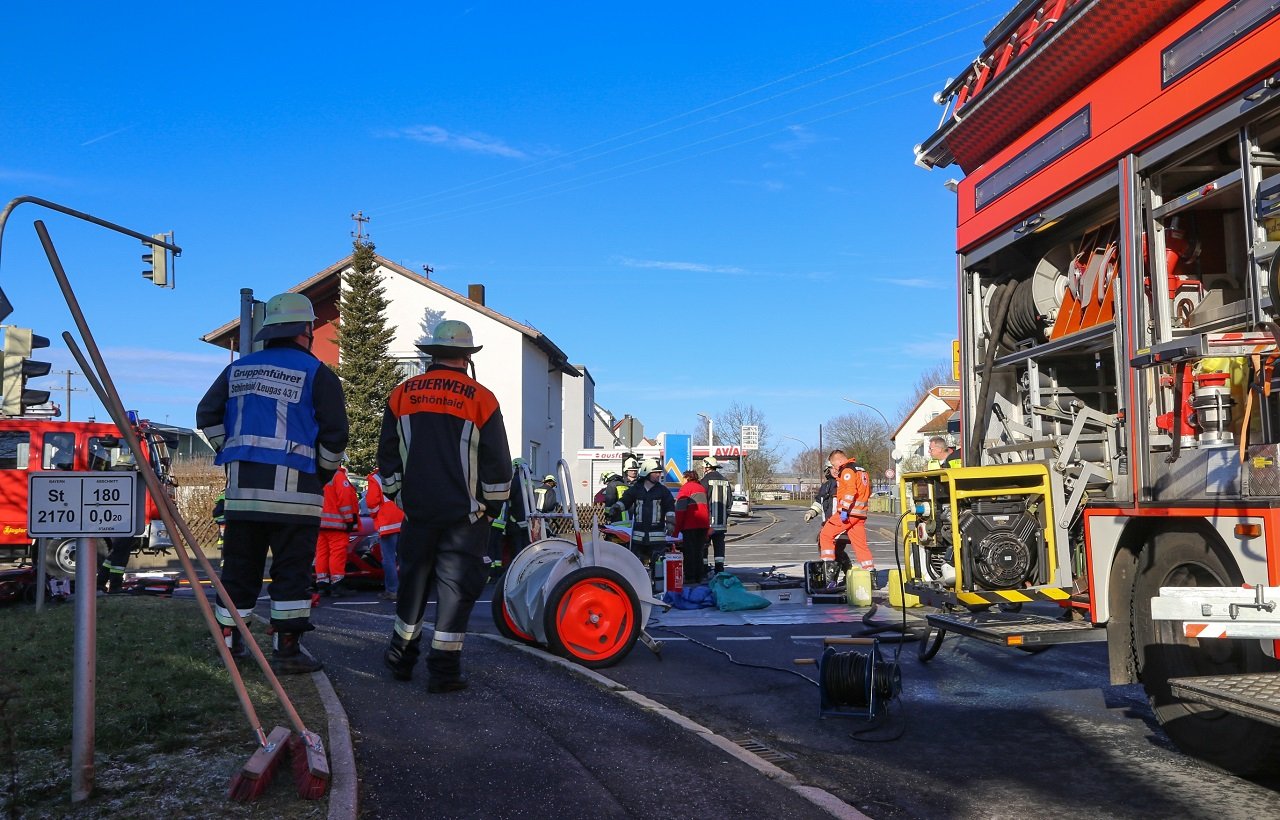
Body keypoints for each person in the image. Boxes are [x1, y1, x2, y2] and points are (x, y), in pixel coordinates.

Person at [196, 292, 348, 674]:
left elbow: (206, 413)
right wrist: (322, 472)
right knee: (291, 574)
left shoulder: (239, 370)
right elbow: (335, 435)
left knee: (239, 571)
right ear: (307, 330)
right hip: (296, 498)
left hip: (244, 496)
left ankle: (230, 645)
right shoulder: (317, 373)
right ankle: (287, 650)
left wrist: (230, 448)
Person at [381, 320, 512, 693]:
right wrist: (489, 507)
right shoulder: (482, 399)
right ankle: (443, 670)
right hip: (464, 519)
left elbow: (387, 458)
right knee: (456, 591)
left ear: (430, 354)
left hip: (418, 514)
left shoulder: (402, 395)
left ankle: (399, 658)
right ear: (468, 357)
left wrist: (401, 498)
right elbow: (498, 465)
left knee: (413, 585)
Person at [818, 450, 875, 586]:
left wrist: (844, 509)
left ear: (838, 461)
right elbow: (867, 491)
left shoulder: (847, 470)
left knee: (825, 535)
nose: (835, 468)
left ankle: (829, 575)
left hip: (848, 513)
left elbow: (850, 491)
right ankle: (871, 577)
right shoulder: (861, 470)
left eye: (833, 465)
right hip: (860, 514)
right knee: (860, 545)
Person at [613, 458, 674, 570]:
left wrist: (670, 523)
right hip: (639, 539)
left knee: (658, 568)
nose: (658, 475)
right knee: (636, 568)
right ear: (646, 473)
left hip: (657, 539)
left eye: (659, 472)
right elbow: (625, 501)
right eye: (655, 473)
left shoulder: (663, 491)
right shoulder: (636, 489)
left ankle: (657, 586)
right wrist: (616, 508)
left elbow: (670, 507)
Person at [315, 464, 359, 597]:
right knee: (337, 554)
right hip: (337, 525)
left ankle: (322, 584)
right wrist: (349, 520)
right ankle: (337, 584)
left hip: (320, 523)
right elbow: (345, 500)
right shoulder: (338, 476)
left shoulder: (319, 475)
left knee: (321, 554)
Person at [366, 466, 404, 601]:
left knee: (388, 559)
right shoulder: (401, 473)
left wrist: (376, 514)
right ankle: (408, 589)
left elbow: (371, 502)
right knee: (404, 558)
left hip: (387, 523)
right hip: (404, 520)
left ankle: (392, 590)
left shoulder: (375, 478)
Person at [673, 470, 710, 585]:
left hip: (690, 525)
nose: (681, 481)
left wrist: (675, 531)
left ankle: (690, 577)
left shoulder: (685, 489)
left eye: (683, 478)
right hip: (703, 525)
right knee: (699, 552)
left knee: (689, 552)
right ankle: (699, 576)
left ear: (687, 478)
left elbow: (680, 511)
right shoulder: (701, 488)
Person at [699, 456, 733, 577]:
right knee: (719, 546)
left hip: (707, 522)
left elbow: (701, 501)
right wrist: (725, 516)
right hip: (721, 521)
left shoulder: (704, 482)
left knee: (704, 545)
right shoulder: (725, 481)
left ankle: (703, 569)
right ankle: (719, 569)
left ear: (707, 467)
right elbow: (730, 502)